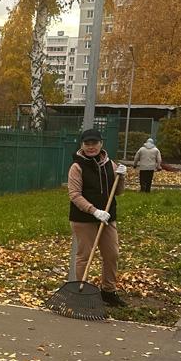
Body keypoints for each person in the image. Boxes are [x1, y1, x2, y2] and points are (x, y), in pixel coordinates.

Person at [67, 128, 127, 308]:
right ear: (82, 145)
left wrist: (122, 178)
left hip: (108, 218)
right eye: (87, 144)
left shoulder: (111, 165)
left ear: (101, 144)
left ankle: (108, 291)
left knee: (112, 254)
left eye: (94, 143)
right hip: (83, 219)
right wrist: (94, 211)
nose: (91, 147)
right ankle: (81, 292)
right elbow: (74, 195)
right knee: (84, 256)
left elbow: (118, 192)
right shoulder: (77, 167)